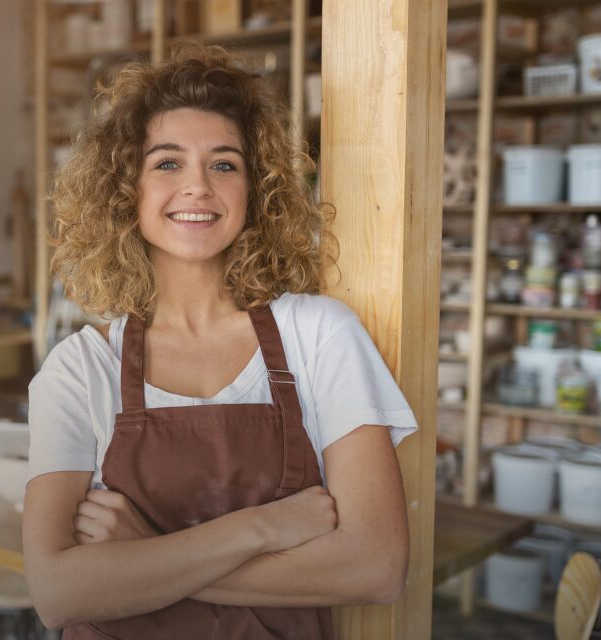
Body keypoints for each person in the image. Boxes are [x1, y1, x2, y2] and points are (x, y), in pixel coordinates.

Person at [23, 44, 418, 640]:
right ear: (126, 189)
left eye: (225, 164)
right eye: (167, 163)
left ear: (256, 190)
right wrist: (261, 529)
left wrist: (146, 556)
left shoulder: (319, 335)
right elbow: (57, 592)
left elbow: (377, 567)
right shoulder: (81, 369)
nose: (198, 187)